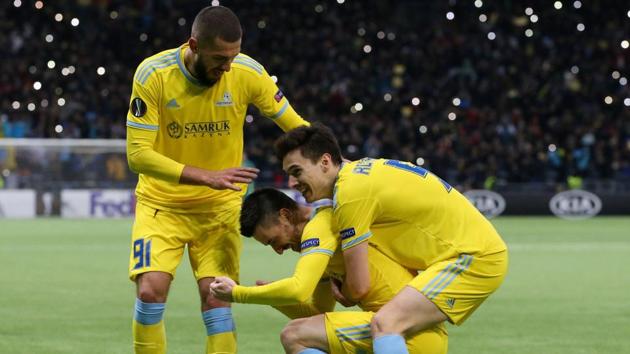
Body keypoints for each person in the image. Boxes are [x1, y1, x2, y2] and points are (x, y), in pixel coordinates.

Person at [125, 6, 309, 354]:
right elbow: (137, 155)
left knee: (217, 298)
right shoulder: (153, 75)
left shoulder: (246, 72)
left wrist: (335, 163)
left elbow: (297, 127)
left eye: (233, 56)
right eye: (219, 58)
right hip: (160, 205)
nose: (227, 66)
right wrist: (206, 176)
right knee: (150, 292)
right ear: (193, 44)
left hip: (220, 208)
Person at [273, 123, 508, 354]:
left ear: (325, 162)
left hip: (473, 258)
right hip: (468, 252)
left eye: (296, 172)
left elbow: (359, 287)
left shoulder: (350, 194)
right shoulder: (361, 174)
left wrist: (343, 289)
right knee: (301, 334)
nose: (292, 183)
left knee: (386, 324)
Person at [209, 188, 447, 354]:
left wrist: (238, 293)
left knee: (293, 335)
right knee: (304, 334)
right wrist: (272, 298)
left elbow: (298, 289)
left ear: (285, 215)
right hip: (403, 329)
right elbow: (319, 311)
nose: (279, 251)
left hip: (403, 333)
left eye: (273, 241)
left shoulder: (319, 227)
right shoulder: (321, 246)